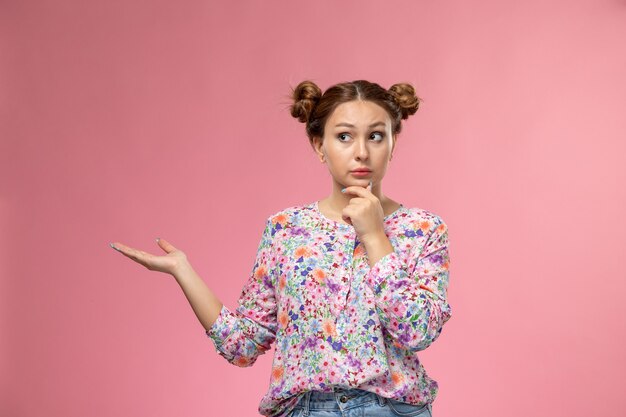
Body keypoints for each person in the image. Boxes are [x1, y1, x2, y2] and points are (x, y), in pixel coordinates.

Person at [110, 79, 452, 417]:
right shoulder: (286, 230)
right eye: (344, 136)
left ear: (393, 143)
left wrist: (376, 235)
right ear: (319, 146)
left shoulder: (423, 229)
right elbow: (242, 345)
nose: (361, 151)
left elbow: (417, 332)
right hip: (304, 410)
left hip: (392, 410)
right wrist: (182, 269)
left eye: (375, 136)